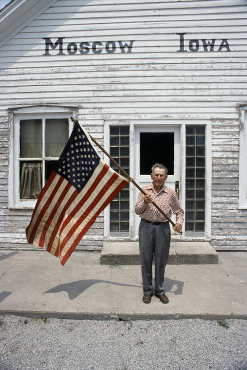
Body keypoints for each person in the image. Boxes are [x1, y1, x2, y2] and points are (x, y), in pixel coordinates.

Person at [135, 163, 184, 304]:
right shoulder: (144, 190)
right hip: (145, 228)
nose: (158, 177)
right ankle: (147, 291)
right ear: (151, 176)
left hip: (163, 228)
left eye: (161, 175)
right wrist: (145, 202)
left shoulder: (170, 193)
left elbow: (178, 211)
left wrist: (179, 222)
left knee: (161, 260)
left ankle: (160, 290)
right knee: (146, 260)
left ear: (166, 177)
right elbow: (138, 211)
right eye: (156, 175)